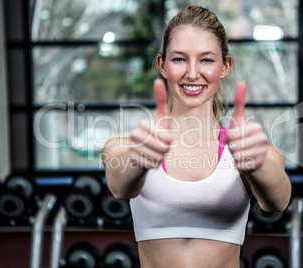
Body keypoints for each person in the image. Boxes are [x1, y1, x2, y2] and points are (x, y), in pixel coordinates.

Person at [102, 5, 291, 268]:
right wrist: (139, 159)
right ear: (162, 65)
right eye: (179, 59)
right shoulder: (125, 147)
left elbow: (278, 201)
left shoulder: (255, 151)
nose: (192, 73)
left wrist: (256, 164)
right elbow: (120, 187)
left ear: (225, 66)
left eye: (206, 60)